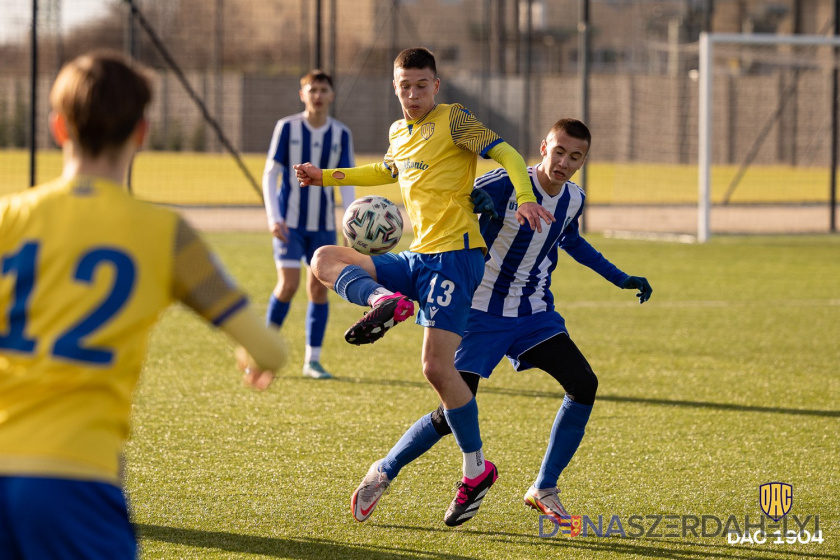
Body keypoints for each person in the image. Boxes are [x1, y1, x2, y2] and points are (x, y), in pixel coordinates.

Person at [0, 51, 286, 560]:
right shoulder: (164, 235)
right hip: (76, 481)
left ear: (58, 127)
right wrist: (251, 354)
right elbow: (270, 350)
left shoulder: (8, 217)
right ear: (143, 132)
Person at [345, 118, 653, 527]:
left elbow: (572, 240)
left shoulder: (574, 199)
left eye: (575, 156)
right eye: (559, 151)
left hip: (533, 314)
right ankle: (383, 471)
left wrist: (621, 277)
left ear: (582, 161)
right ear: (544, 147)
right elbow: (455, 205)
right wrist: (479, 208)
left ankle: (544, 487)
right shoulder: (503, 183)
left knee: (583, 384)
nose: (564, 161)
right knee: (450, 411)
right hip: (478, 313)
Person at [294, 46, 555, 527]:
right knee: (324, 258)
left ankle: (476, 471)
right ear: (394, 88)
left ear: (436, 86)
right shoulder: (400, 131)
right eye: (404, 86)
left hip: (456, 258)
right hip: (416, 258)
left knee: (436, 369)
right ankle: (382, 301)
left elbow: (507, 152)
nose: (412, 93)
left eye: (421, 84)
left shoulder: (455, 119)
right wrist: (324, 177)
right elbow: (386, 170)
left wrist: (523, 197)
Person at [262, 69, 356, 379]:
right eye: (311, 89)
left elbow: (345, 179)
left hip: (322, 226)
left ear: (332, 95)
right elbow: (270, 174)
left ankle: (312, 361)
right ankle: (262, 352)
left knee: (318, 289)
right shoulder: (287, 128)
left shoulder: (341, 133)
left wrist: (349, 221)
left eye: (323, 90)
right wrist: (274, 217)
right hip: (290, 224)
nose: (317, 95)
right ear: (302, 95)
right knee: (288, 286)